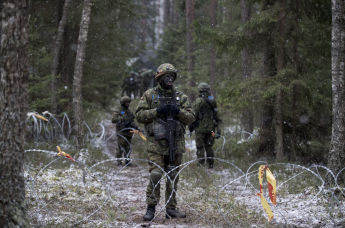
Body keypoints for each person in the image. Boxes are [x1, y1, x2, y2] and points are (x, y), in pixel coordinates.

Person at [135, 63, 195, 221]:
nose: (169, 79)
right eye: (166, 76)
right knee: (155, 174)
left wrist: (178, 111)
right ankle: (151, 207)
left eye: (172, 77)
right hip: (156, 144)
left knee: (173, 176)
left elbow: (191, 117)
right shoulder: (149, 95)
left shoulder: (180, 97)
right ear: (159, 78)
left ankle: (171, 208)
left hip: (175, 143)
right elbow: (139, 115)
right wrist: (157, 111)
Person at [189, 82, 222, 168]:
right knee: (209, 146)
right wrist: (218, 130)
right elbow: (217, 116)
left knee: (200, 147)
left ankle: (200, 164)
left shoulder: (198, 101)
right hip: (211, 130)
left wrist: (191, 126)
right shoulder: (212, 100)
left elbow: (193, 115)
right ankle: (210, 164)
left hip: (200, 129)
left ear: (199, 90)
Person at [112, 96, 138, 166]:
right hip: (122, 132)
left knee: (128, 148)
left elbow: (131, 121)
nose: (128, 104)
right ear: (123, 103)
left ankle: (127, 162)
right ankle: (119, 162)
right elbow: (113, 119)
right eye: (126, 102)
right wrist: (122, 119)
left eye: (128, 102)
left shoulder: (128, 111)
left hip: (129, 132)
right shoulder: (120, 110)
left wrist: (135, 127)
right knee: (120, 147)